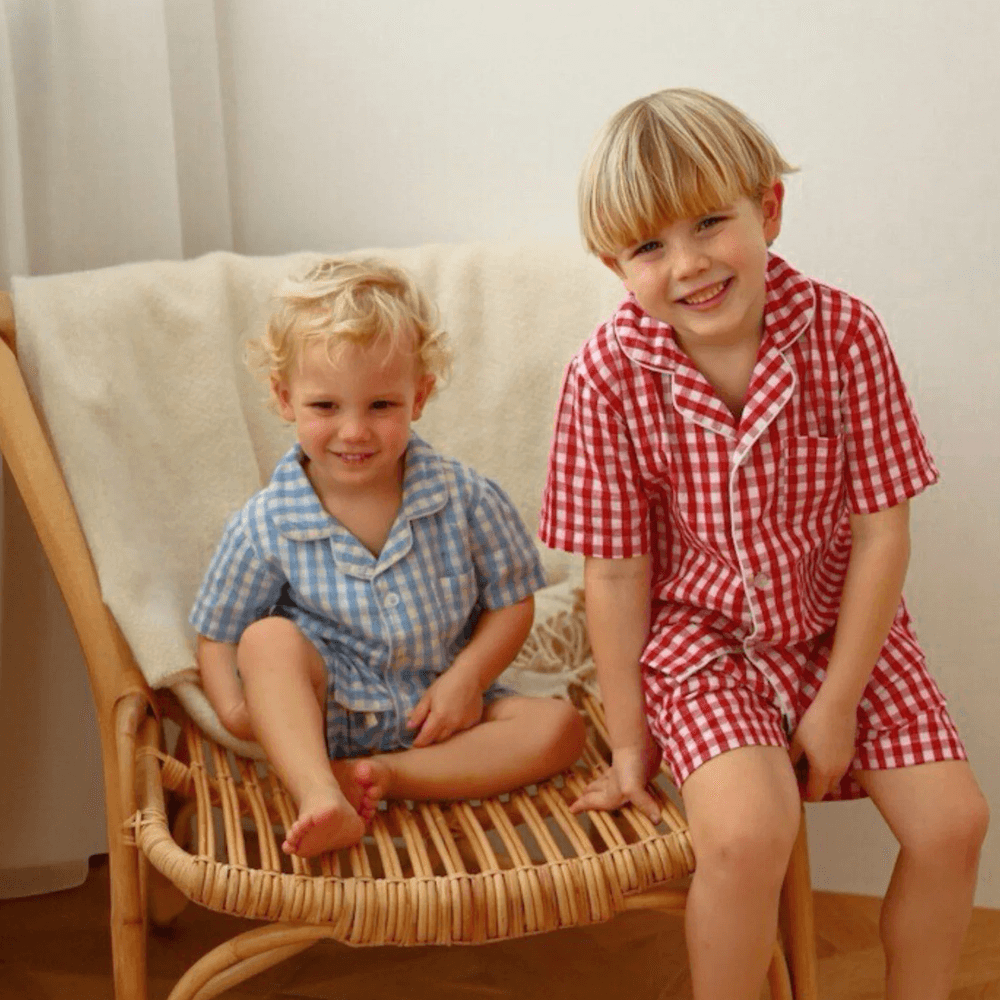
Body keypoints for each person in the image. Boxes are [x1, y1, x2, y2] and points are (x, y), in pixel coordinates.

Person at [539, 88, 989, 1000]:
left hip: (840, 626)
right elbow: (617, 573)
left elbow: (882, 533)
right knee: (748, 835)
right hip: (700, 646)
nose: (691, 264)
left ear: (768, 211)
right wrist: (629, 745)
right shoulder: (606, 374)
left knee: (954, 824)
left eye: (711, 223)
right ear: (613, 264)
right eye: (650, 247)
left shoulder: (847, 335)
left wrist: (836, 703)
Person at [191, 257, 585, 858]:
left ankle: (387, 777)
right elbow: (218, 635)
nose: (354, 431)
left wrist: (468, 678)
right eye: (325, 407)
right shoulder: (267, 523)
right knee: (266, 639)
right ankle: (319, 789)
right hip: (325, 720)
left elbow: (512, 602)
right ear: (283, 398)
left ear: (418, 397)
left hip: (443, 712)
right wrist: (236, 711)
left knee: (559, 730)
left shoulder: (465, 497)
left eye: (381, 406)